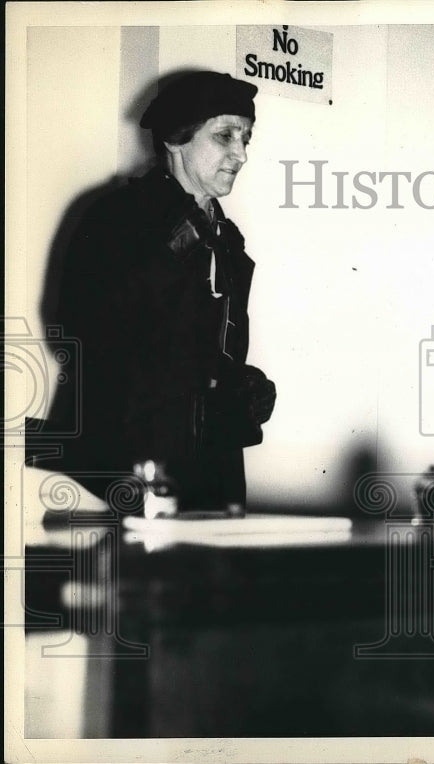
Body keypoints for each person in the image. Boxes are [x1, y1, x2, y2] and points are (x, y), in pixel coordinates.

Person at [39, 70, 276, 511]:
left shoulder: (228, 237)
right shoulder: (115, 216)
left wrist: (239, 384)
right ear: (174, 139)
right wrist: (172, 247)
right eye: (225, 136)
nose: (241, 154)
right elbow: (78, 328)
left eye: (246, 138)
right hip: (128, 459)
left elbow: (206, 344)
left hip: (210, 468)